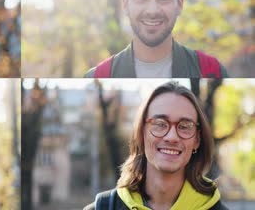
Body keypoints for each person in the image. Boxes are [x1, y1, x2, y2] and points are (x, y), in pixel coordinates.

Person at [84, 82, 227, 210]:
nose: (171, 137)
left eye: (184, 126)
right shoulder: (102, 208)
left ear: (197, 140)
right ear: (141, 133)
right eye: (159, 124)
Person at [85, 0, 228, 78]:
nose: (152, 10)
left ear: (179, 4)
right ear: (125, 5)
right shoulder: (98, 75)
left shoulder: (211, 70)